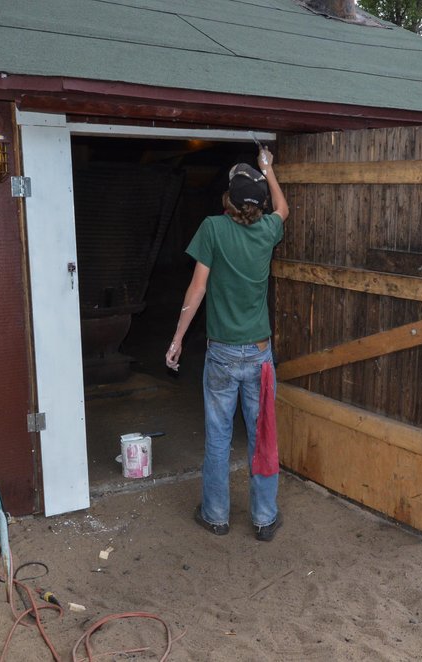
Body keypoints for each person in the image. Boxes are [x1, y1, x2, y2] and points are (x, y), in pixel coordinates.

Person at [165, 145, 289, 542]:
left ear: (228, 200)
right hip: (258, 352)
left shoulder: (213, 229)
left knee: (218, 437)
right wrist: (268, 168)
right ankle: (264, 518)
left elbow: (196, 289)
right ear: (259, 202)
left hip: (220, 353)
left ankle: (216, 516)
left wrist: (178, 339)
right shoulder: (269, 229)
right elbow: (284, 209)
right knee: (261, 435)